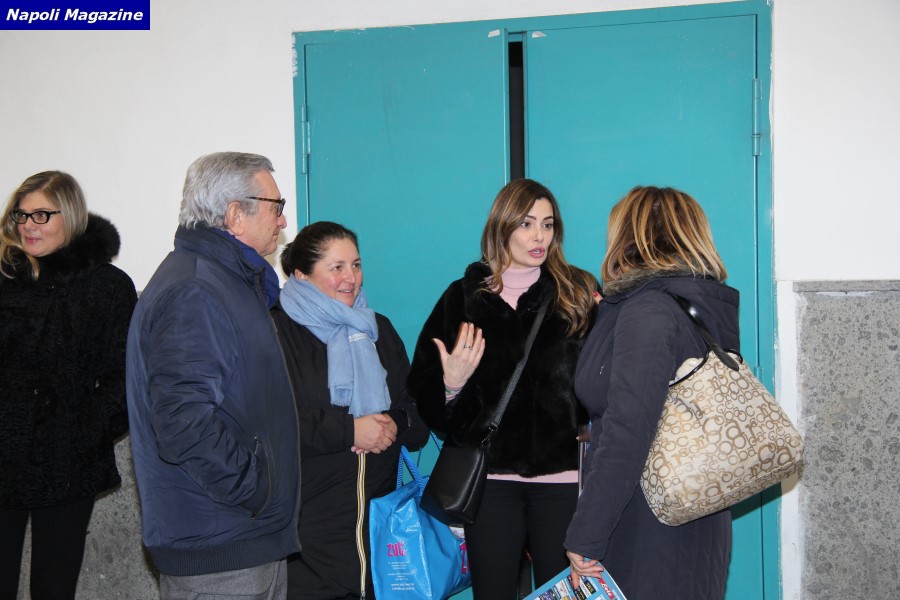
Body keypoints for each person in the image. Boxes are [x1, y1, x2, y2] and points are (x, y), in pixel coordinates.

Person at [408, 178, 598, 598]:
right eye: (526, 224)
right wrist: (450, 384)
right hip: (490, 482)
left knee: (566, 593)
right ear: (502, 226)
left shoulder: (578, 293)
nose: (539, 236)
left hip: (564, 480)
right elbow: (422, 388)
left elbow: (606, 380)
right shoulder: (462, 299)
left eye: (547, 224)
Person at [126, 152, 300, 600]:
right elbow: (183, 421)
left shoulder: (226, 281)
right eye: (276, 207)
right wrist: (254, 489)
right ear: (235, 215)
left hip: (241, 536)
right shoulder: (196, 289)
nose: (283, 221)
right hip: (221, 549)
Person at [564, 186, 736, 599]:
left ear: (630, 238)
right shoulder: (696, 306)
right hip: (692, 510)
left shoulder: (649, 310)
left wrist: (587, 533)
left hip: (647, 522)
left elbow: (628, 430)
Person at [270, 221, 429, 600]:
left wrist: (395, 423)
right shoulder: (276, 332)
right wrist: (350, 431)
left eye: (356, 265)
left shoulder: (379, 330)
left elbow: (417, 419)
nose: (351, 278)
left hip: (380, 540)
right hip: (306, 540)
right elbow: (272, 424)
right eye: (336, 267)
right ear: (301, 275)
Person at [0, 171, 137, 599]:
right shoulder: (4, 277)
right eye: (21, 215)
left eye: (42, 215)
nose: (28, 226)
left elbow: (125, 376)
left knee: (54, 586)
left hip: (66, 462)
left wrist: (83, 433)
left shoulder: (107, 286)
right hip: (2, 454)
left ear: (72, 215)